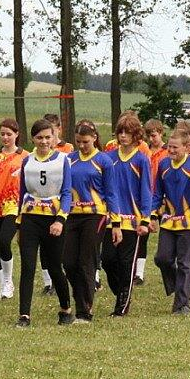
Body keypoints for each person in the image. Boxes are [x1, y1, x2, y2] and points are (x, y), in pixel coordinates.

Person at [15, 119, 73, 327]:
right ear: (33, 138)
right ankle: (24, 315)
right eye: (40, 137)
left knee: (55, 267)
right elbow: (22, 193)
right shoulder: (27, 161)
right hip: (31, 218)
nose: (44, 141)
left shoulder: (63, 160)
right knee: (28, 266)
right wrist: (19, 223)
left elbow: (67, 193)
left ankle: (65, 308)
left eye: (48, 137)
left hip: (53, 220)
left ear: (54, 137)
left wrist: (60, 219)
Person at [151, 129, 190, 315]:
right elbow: (157, 193)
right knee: (162, 258)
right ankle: (177, 285)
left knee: (185, 264)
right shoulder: (163, 164)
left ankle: (183, 305)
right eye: (169, 147)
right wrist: (152, 215)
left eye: (175, 147)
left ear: (187, 147)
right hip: (169, 221)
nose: (171, 150)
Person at [65, 121, 116, 322]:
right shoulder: (69, 160)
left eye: (85, 142)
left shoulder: (104, 161)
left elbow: (111, 192)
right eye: (78, 142)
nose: (82, 146)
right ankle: (80, 297)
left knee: (86, 261)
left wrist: (116, 221)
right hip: (72, 215)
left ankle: (84, 310)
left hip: (96, 215)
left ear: (94, 138)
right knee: (68, 262)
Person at [103, 114, 152, 316]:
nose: (123, 136)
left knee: (125, 263)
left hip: (132, 220)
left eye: (128, 133)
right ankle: (121, 291)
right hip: (111, 219)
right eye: (120, 132)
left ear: (136, 135)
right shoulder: (109, 158)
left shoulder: (141, 159)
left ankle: (122, 305)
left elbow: (146, 190)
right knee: (107, 259)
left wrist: (145, 219)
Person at [0, 118, 29, 300]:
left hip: (14, 205)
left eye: (9, 134)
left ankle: (8, 282)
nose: (5, 137)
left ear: (17, 135)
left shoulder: (26, 156)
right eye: (2, 134)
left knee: (5, 241)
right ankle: (2, 286)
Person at [40, 113, 72, 295]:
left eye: (51, 131)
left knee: (59, 245)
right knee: (43, 246)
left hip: (60, 203)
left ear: (58, 130)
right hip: (43, 204)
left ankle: (59, 278)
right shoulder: (39, 153)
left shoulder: (67, 149)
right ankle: (47, 282)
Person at [136, 118, 168, 285]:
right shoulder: (144, 152)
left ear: (161, 133)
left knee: (168, 236)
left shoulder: (168, 151)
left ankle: (172, 265)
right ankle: (139, 273)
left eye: (154, 135)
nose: (151, 139)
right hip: (147, 196)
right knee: (143, 235)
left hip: (165, 198)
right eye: (148, 136)